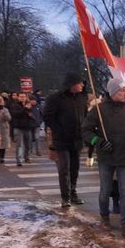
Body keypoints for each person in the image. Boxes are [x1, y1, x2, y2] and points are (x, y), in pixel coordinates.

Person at [82, 77, 125, 242]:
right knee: (105, 191)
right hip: (106, 158)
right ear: (112, 93)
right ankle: (104, 217)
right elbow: (86, 131)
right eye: (121, 90)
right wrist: (98, 141)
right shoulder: (98, 110)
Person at [43, 72, 87, 208]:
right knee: (64, 168)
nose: (82, 85)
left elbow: (84, 115)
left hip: (77, 139)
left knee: (75, 168)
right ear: (72, 84)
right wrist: (59, 130)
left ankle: (73, 193)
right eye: (80, 83)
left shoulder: (81, 97)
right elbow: (48, 116)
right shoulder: (55, 98)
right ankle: (65, 196)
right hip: (62, 140)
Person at [9, 92, 34, 166]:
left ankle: (27, 157)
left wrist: (30, 113)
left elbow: (31, 115)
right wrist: (25, 108)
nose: (22, 98)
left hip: (27, 127)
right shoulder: (14, 105)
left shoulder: (28, 105)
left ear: (26, 97)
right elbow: (15, 114)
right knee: (19, 144)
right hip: (18, 127)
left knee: (28, 144)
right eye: (21, 96)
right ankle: (19, 160)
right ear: (18, 97)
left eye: (24, 96)